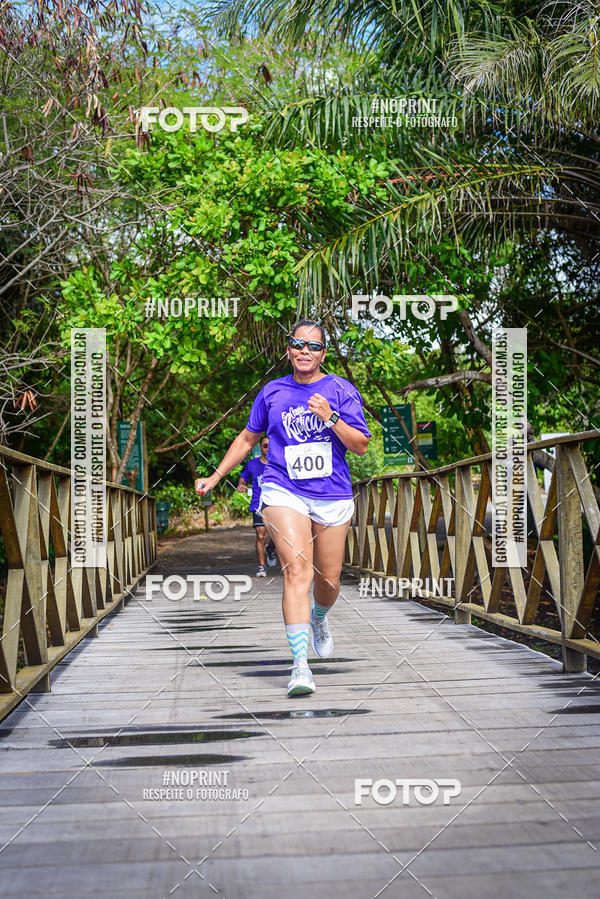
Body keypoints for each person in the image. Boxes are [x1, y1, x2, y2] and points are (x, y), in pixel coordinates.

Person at [195, 320, 371, 697]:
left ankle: (320, 618)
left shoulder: (340, 389)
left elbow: (360, 445)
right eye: (297, 344)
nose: (304, 351)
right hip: (283, 488)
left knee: (329, 580)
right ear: (288, 349)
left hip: (331, 495)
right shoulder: (272, 392)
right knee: (297, 571)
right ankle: (300, 666)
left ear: (324, 353)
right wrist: (214, 477)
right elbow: (247, 438)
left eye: (313, 346)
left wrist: (331, 416)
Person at [237, 435, 278, 577]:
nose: (268, 448)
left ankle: (271, 549)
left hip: (277, 503)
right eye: (265, 445)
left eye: (270, 445)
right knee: (261, 535)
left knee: (277, 535)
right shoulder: (252, 464)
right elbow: (244, 477)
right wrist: (241, 484)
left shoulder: (279, 463)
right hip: (258, 504)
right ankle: (262, 566)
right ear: (260, 447)